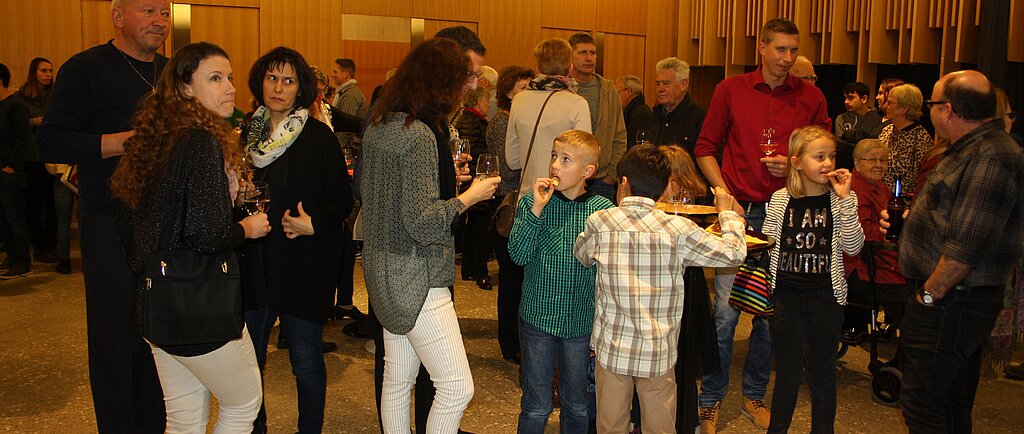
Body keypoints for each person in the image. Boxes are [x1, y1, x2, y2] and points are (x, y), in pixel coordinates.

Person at [111, 42, 270, 433]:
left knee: (183, 420)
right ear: (185, 88)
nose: (230, 88)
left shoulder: (157, 139)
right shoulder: (199, 142)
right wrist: (246, 229)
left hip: (158, 305)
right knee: (242, 404)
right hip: (202, 308)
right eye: (215, 78)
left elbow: (127, 228)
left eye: (230, 78)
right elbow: (206, 233)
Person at [692, 18, 831, 433]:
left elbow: (823, 156)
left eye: (794, 50)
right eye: (781, 49)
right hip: (739, 214)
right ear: (762, 48)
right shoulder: (730, 89)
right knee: (725, 315)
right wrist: (722, 194)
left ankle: (754, 395)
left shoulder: (811, 97)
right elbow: (704, 148)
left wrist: (792, 165)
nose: (788, 59)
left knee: (771, 316)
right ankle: (710, 399)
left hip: (790, 216)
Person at [37, 0, 170, 430]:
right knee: (117, 341)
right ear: (118, 17)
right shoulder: (85, 68)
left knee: (161, 337)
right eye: (148, 10)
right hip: (109, 221)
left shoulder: (172, 73)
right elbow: (50, 143)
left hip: (167, 225)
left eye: (165, 12)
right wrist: (122, 143)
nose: (160, 21)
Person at [362, 37, 499, 434]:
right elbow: (422, 222)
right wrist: (469, 197)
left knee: (396, 381)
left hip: (382, 272)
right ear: (442, 81)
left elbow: (388, 198)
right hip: (417, 276)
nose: (469, 87)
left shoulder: (381, 125)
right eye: (465, 78)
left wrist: (444, 184)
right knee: (457, 387)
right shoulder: (420, 134)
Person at [882, 70, 1024, 433]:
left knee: (922, 400)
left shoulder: (991, 155)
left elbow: (967, 246)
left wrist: (927, 298)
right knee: (950, 397)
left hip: (951, 299)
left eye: (931, 103)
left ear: (947, 110)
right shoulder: (969, 149)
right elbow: (955, 219)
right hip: (950, 297)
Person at [574, 143, 746, 434]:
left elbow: (582, 254)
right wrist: (727, 215)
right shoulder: (678, 229)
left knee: (610, 424)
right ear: (666, 185)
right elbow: (734, 253)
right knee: (660, 424)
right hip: (658, 350)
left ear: (624, 183)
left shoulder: (601, 223)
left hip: (612, 347)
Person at [241, 46, 352, 434]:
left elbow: (343, 198)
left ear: (300, 87)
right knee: (248, 361)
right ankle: (256, 428)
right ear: (260, 81)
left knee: (305, 360)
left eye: (288, 80)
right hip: (252, 264)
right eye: (272, 78)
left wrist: (315, 224)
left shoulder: (317, 136)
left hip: (302, 264)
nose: (278, 87)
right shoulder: (244, 135)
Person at [508, 129, 614, 433]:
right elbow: (517, 254)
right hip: (539, 318)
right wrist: (536, 210)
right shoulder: (534, 201)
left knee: (577, 403)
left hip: (581, 323)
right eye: (554, 156)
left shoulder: (602, 211)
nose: (555, 165)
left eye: (565, 160)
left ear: (587, 171)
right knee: (536, 404)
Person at [763, 126, 863, 433]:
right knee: (787, 375)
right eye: (819, 157)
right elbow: (768, 242)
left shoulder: (841, 200)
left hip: (826, 299)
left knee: (822, 376)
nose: (828, 164)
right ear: (796, 162)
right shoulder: (780, 199)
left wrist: (846, 203)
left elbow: (853, 246)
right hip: (787, 299)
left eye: (831, 156)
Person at [486, 65, 534, 364]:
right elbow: (508, 168)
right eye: (524, 87)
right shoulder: (502, 124)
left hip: (516, 202)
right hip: (509, 207)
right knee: (512, 279)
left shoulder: (514, 120)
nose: (530, 93)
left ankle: (515, 340)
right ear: (508, 92)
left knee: (516, 278)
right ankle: (510, 343)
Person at [505, 38, 591, 201]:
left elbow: (513, 160)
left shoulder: (519, 100)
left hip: (527, 197)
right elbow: (585, 159)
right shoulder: (578, 104)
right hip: (562, 200)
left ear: (537, 68)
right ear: (570, 68)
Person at [841, 139, 907, 344]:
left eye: (883, 160)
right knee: (908, 302)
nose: (878, 164)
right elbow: (863, 234)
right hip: (862, 264)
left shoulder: (881, 187)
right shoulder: (853, 190)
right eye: (872, 160)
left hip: (884, 256)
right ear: (857, 162)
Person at [567, 32, 627, 203]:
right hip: (570, 176)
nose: (589, 58)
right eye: (582, 52)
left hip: (602, 180)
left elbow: (620, 135)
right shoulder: (563, 90)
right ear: (570, 57)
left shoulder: (608, 89)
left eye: (593, 53)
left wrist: (612, 174)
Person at [13, 57, 59, 267]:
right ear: (34, 73)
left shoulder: (55, 95)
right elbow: (14, 125)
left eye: (50, 70)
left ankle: (52, 244)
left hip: (51, 158)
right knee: (34, 203)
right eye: (43, 70)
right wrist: (32, 121)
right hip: (31, 158)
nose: (48, 74)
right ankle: (39, 246)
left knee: (53, 204)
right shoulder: (22, 97)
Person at [454, 86, 494, 290]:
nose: (489, 105)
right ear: (479, 102)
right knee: (479, 227)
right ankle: (480, 271)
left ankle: (468, 268)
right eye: (487, 101)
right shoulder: (471, 121)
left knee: (473, 226)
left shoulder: (466, 118)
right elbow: (475, 152)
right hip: (475, 180)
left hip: (471, 179)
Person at [0, 62, 33, 278]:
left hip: (10, 171)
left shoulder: (16, 105)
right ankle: (11, 253)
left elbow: (23, 139)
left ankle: (23, 260)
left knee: (14, 216)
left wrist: (11, 166)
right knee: (2, 217)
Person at [878, 83, 931, 195]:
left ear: (903, 108)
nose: (885, 106)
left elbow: (922, 182)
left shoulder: (921, 140)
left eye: (890, 102)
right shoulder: (887, 131)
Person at [651, 57, 707, 161]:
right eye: (658, 84)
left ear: (683, 84)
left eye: (666, 83)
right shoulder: (652, 117)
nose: (660, 89)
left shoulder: (700, 118)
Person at [834, 82, 884, 170]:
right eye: (845, 98)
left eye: (851, 98)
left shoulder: (877, 118)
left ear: (864, 99)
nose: (846, 102)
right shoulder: (841, 118)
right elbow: (840, 144)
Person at [615, 74, 655, 149]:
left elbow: (634, 145)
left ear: (628, 91)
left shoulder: (638, 114)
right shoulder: (636, 110)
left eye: (618, 92)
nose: (616, 96)